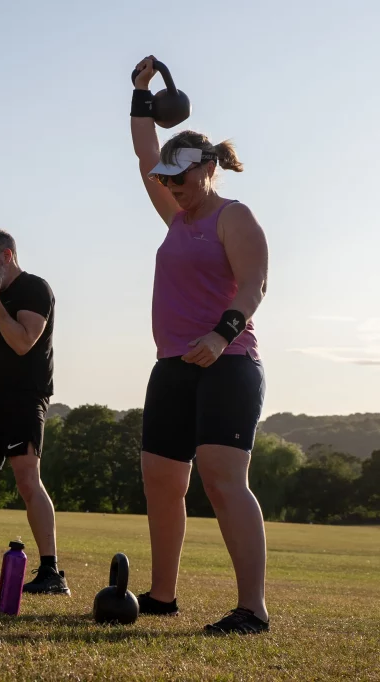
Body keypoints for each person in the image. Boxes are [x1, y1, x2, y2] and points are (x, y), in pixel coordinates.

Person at [130, 55, 270, 634]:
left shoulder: (233, 217)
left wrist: (221, 334)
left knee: (219, 477)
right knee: (162, 477)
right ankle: (163, 596)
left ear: (208, 168)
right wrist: (139, 93)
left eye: (180, 180)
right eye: (167, 182)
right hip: (173, 365)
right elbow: (143, 155)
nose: (172, 189)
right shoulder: (177, 219)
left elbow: (256, 282)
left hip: (228, 362)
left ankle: (251, 609)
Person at [0, 228, 70, 595]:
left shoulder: (34, 289)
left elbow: (24, 342)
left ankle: (52, 572)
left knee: (26, 480)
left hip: (25, 396)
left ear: (6, 256)